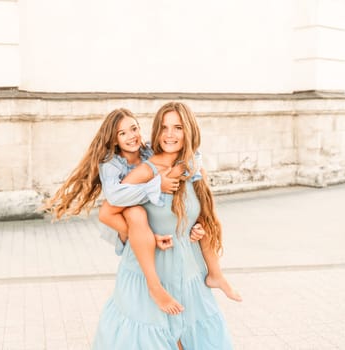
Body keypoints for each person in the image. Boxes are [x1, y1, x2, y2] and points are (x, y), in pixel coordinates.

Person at [92, 102, 233, 349]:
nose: (170, 134)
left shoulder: (194, 168)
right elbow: (107, 211)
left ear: (188, 130)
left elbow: (198, 215)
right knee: (152, 337)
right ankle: (154, 288)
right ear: (156, 132)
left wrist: (196, 228)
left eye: (177, 127)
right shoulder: (145, 171)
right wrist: (139, 235)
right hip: (149, 270)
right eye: (164, 128)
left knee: (192, 337)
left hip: (186, 268)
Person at [43, 108, 190, 314]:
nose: (132, 136)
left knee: (139, 214)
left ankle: (151, 241)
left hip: (146, 223)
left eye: (134, 128)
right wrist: (156, 185)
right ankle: (154, 287)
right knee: (134, 212)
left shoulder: (148, 152)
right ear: (114, 140)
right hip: (121, 221)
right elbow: (114, 198)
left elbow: (181, 158)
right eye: (123, 133)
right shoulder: (111, 164)